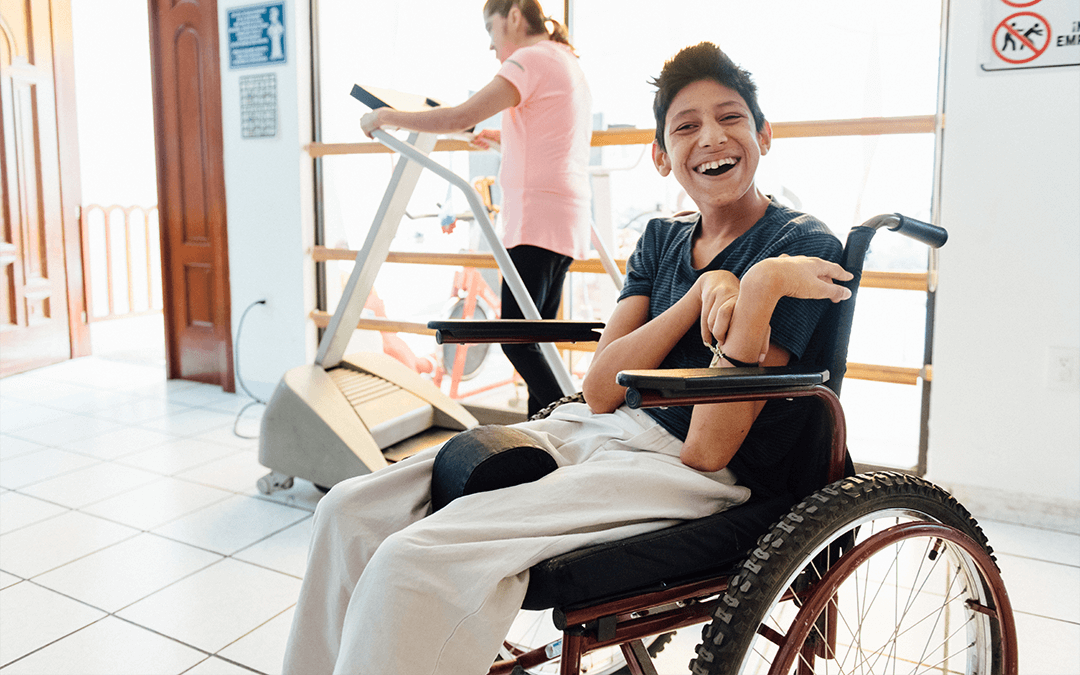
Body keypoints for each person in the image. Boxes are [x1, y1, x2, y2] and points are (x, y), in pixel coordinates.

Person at [284, 42, 853, 675]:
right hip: (602, 426)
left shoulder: (797, 247)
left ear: (763, 134)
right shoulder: (663, 239)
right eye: (686, 126)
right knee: (347, 511)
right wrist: (698, 294)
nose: (711, 138)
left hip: (694, 475)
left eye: (730, 117)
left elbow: (708, 451)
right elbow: (603, 388)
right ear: (662, 157)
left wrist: (758, 290)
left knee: (409, 563)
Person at [360, 0, 593, 417]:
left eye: (491, 29)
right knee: (537, 341)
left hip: (535, 222)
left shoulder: (531, 59)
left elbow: (458, 116)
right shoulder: (564, 59)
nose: (491, 45)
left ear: (516, 16)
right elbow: (552, 137)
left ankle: (573, 415)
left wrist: (386, 116)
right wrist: (501, 138)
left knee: (514, 339)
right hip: (564, 220)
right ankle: (547, 436)